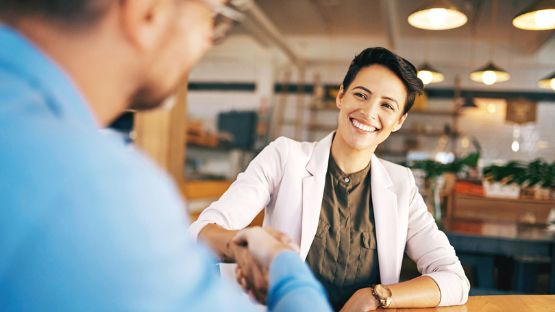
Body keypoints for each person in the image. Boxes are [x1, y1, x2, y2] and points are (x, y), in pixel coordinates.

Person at [0, 0, 333, 311]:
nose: (206, 44)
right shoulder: (96, 189)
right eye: (215, 23)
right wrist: (283, 263)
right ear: (147, 10)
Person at [191, 47, 471, 311]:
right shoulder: (285, 156)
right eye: (361, 95)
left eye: (387, 105)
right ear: (341, 96)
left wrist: (376, 295)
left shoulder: (401, 184)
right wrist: (246, 242)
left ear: (399, 121)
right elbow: (201, 232)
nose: (370, 112)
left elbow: (454, 279)